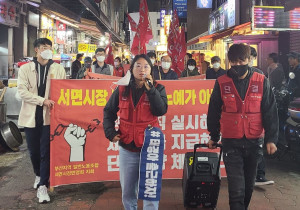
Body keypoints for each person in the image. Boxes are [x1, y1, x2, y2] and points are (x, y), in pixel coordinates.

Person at [207, 44, 278, 210]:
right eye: (233, 62)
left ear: (249, 60)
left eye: (241, 61)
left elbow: (270, 111)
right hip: (231, 141)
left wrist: (271, 139)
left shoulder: (261, 81)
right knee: (236, 187)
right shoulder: (222, 82)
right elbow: (214, 110)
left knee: (248, 186)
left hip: (254, 141)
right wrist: (214, 136)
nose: (237, 65)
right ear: (229, 61)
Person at [103, 54, 168, 210]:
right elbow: (109, 111)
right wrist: (110, 132)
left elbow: (160, 110)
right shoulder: (122, 88)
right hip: (127, 147)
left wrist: (151, 90)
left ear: (151, 70)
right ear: (131, 69)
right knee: (127, 191)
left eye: (146, 66)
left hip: (150, 148)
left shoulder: (158, 88)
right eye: (138, 66)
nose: (142, 70)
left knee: (150, 191)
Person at [17, 38, 66, 203]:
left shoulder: (58, 68)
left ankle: (43, 186)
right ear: (36, 50)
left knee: (46, 151)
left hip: (49, 117)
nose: (48, 50)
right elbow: (21, 92)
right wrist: (41, 100)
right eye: (44, 47)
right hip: (31, 116)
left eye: (50, 47)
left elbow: (63, 90)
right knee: (34, 151)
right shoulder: (25, 69)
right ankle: (38, 174)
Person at [248, 47, 275, 186]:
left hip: (256, 122)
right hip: (241, 125)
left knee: (258, 151)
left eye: (251, 57)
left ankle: (259, 176)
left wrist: (271, 138)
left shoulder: (259, 76)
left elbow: (269, 107)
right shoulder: (229, 77)